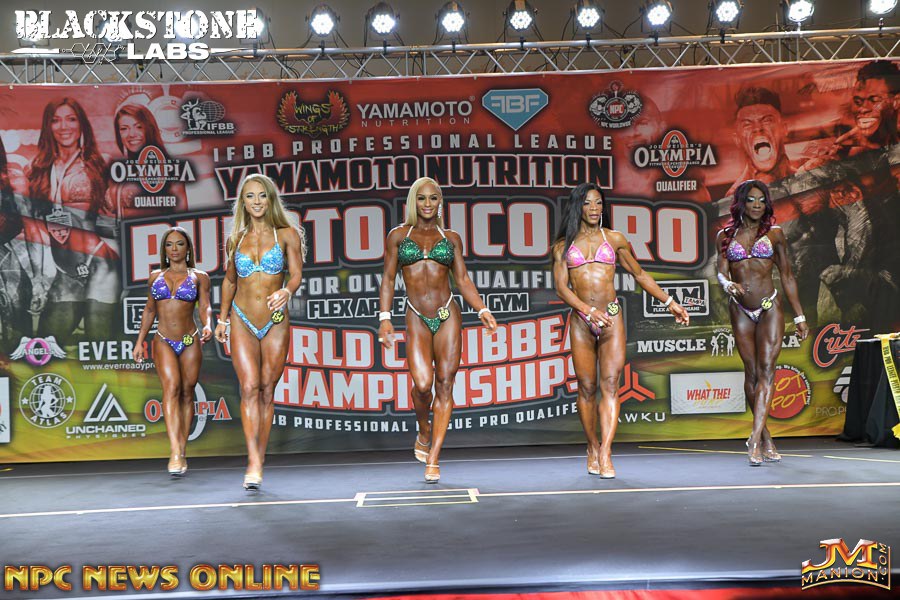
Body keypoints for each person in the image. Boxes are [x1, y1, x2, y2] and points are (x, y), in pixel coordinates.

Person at [551, 183, 689, 478]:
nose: (594, 209)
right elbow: (561, 288)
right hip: (582, 321)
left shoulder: (614, 239)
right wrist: (587, 311)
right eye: (588, 203)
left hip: (612, 318)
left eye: (598, 203)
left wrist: (670, 302)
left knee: (611, 385)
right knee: (587, 388)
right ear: (578, 207)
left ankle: (606, 452)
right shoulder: (563, 246)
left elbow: (639, 274)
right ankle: (592, 445)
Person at [378, 177, 497, 483]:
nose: (427, 204)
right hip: (416, 316)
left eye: (433, 198)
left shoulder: (451, 238)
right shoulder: (398, 236)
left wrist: (482, 309)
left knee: (444, 384)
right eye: (422, 198)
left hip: (448, 315)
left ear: (440, 202)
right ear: (413, 202)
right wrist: (385, 317)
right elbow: (389, 279)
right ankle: (424, 428)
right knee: (422, 385)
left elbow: (463, 279)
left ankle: (434, 457)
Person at [214, 174, 305, 491]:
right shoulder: (236, 240)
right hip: (241, 318)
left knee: (266, 389)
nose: (256, 201)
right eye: (250, 196)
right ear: (242, 202)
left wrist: (287, 291)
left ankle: (259, 457)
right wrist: (222, 319)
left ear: (270, 200)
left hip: (275, 320)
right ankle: (252, 460)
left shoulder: (286, 235)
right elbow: (229, 280)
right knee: (249, 386)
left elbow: (297, 274)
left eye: (262, 195)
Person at [715, 180, 809, 466]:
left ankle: (753, 440)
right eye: (751, 200)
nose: (757, 205)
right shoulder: (725, 236)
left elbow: (787, 276)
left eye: (761, 200)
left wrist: (800, 316)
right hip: (740, 309)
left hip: (770, 307)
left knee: (767, 370)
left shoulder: (775, 234)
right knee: (752, 374)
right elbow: (720, 271)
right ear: (741, 203)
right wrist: (727, 285)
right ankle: (766, 437)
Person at [24, 97, 115, 345]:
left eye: (71, 119)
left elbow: (114, 215)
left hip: (99, 265)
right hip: (65, 272)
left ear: (81, 124)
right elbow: (34, 231)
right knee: (46, 347)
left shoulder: (98, 164)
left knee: (101, 347)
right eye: (56, 120)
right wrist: (38, 280)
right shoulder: (37, 170)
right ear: (48, 126)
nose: (64, 127)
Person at [133, 227, 212, 476]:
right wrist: (139, 341)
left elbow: (205, 307)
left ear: (188, 248)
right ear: (164, 249)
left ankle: (182, 449)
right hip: (163, 340)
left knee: (187, 393)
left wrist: (208, 324)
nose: (174, 249)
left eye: (179, 244)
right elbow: (149, 310)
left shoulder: (200, 277)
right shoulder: (155, 277)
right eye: (169, 244)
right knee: (171, 388)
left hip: (190, 340)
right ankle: (175, 451)